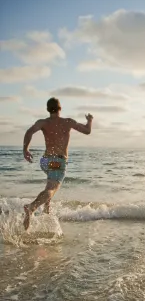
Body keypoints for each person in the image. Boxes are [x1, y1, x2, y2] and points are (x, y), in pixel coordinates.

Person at [23, 97, 93, 230]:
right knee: (52, 189)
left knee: (50, 183)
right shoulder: (67, 122)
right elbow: (87, 131)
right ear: (60, 108)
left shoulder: (43, 122)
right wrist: (89, 120)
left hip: (45, 161)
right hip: (56, 162)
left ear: (48, 109)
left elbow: (29, 132)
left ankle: (46, 210)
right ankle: (31, 207)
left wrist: (25, 149)